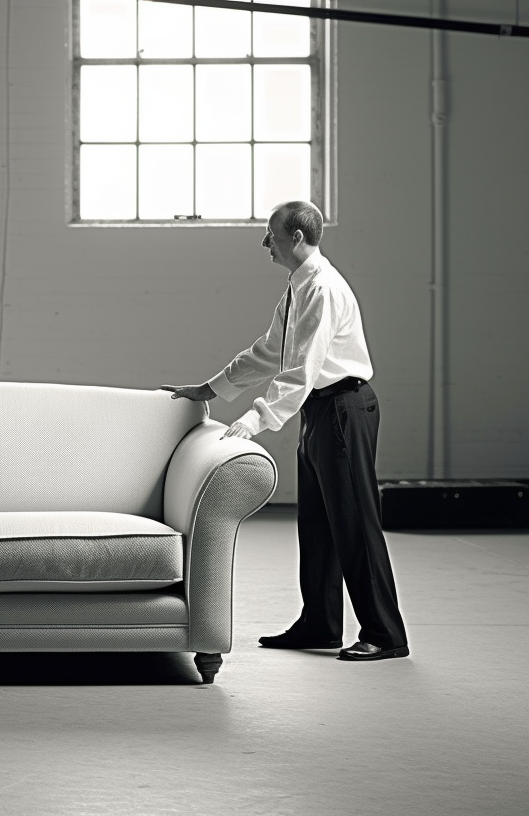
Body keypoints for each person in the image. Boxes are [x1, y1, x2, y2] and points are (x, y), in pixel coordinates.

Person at [160, 201, 409, 662]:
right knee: (318, 523)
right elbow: (270, 351)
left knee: (355, 524)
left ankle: (385, 633)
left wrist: (254, 421)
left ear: (296, 238)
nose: (264, 243)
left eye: (270, 234)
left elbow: (301, 371)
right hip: (320, 411)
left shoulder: (323, 289)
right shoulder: (298, 287)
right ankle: (320, 623)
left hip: (343, 408)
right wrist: (210, 388)